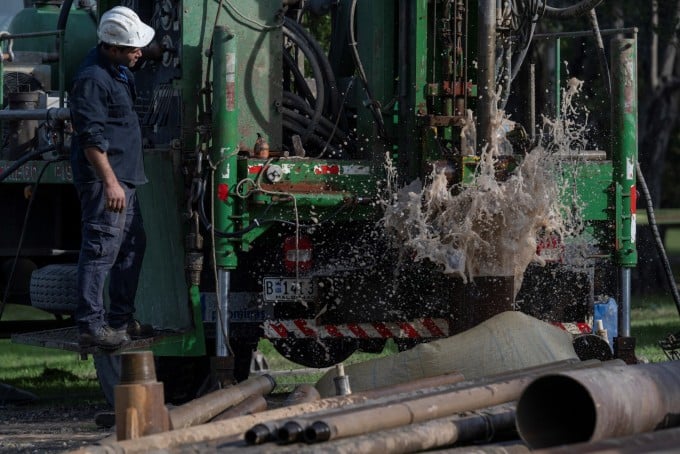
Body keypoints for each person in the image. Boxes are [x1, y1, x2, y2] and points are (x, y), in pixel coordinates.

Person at [69, 6, 155, 349]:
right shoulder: (92, 79)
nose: (139, 53)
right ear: (112, 47)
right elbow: (91, 139)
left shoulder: (118, 69)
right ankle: (91, 325)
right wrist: (110, 182)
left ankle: (120, 318)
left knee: (133, 245)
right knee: (101, 248)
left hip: (125, 178)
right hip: (109, 181)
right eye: (133, 48)